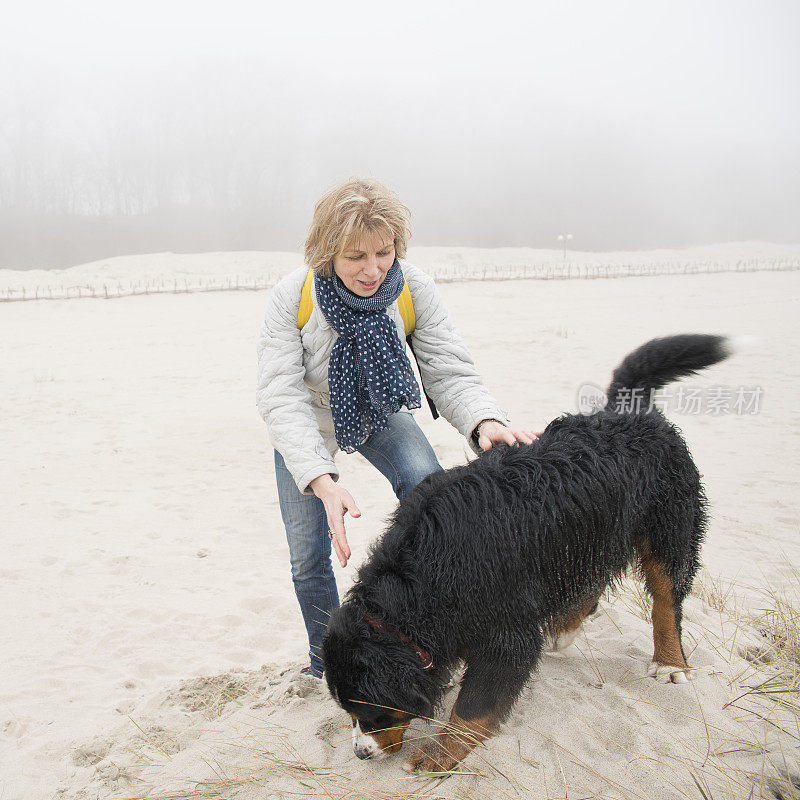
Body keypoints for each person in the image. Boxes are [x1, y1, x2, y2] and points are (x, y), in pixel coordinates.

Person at [256, 178, 536, 677]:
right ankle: (328, 664)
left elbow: (448, 368)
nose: (372, 269)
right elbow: (281, 396)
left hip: (380, 406)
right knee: (307, 555)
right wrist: (322, 481)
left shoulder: (413, 289)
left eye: (383, 252)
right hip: (309, 417)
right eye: (355, 256)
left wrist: (485, 421)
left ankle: (437, 633)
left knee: (432, 496)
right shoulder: (291, 297)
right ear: (327, 253)